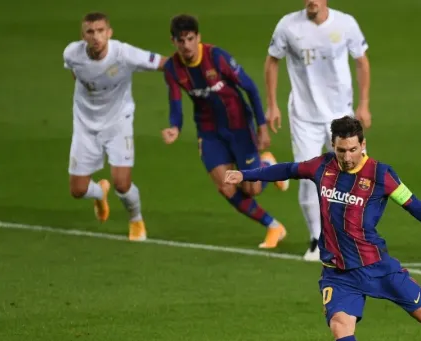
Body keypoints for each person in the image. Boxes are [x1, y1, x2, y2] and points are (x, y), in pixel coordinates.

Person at [224, 116, 421, 341]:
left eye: (353, 149)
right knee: (340, 324)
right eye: (341, 150)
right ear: (334, 145)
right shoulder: (321, 166)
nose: (347, 157)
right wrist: (245, 175)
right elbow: (288, 169)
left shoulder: (382, 175)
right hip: (337, 272)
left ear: (363, 145)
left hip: (376, 266)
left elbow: (414, 206)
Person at [162, 14, 288, 249]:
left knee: (252, 189)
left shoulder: (216, 57)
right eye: (181, 41)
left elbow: (249, 87)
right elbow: (175, 102)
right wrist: (174, 127)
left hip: (239, 126)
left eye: (190, 39)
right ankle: (273, 226)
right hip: (209, 132)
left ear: (198, 37)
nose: (186, 45)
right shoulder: (172, 68)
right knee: (226, 186)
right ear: (174, 41)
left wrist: (261, 126)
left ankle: (268, 165)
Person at [265, 0, 371, 260]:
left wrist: (364, 104)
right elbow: (272, 61)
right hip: (304, 115)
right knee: (308, 176)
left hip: (341, 113)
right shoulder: (288, 25)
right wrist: (272, 105)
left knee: (354, 174)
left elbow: (362, 62)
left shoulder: (346, 23)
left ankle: (354, 236)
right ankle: (317, 240)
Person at [63, 12, 167, 241]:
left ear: (109, 33)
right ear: (83, 36)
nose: (96, 36)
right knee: (77, 190)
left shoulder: (124, 54)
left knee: (122, 183)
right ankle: (100, 193)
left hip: (118, 122)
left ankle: (136, 219)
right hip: (85, 124)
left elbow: (163, 64)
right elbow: (76, 73)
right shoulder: (72, 53)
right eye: (90, 32)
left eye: (101, 31)